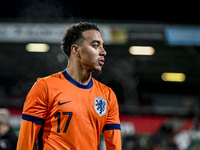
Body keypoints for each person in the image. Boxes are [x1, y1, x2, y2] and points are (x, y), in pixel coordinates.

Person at [17, 22, 121, 150]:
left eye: (102, 46)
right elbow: (25, 142)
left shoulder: (107, 95)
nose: (103, 52)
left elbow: (114, 146)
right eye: (95, 45)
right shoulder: (44, 87)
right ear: (76, 49)